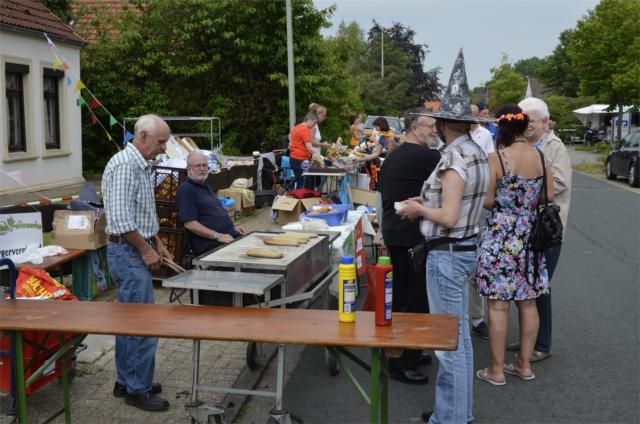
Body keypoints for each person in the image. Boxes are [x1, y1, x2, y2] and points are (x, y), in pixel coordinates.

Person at [396, 49, 489, 424]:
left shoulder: (452, 158)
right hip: (464, 249)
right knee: (458, 339)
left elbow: (449, 217)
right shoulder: (476, 152)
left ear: (446, 123)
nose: (434, 127)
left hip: (447, 254)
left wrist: (419, 210)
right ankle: (455, 413)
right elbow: (466, 203)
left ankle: (451, 418)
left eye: (437, 121)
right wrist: (426, 201)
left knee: (449, 345)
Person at [474, 104, 554, 386]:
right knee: (528, 302)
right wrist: (526, 203)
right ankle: (524, 364)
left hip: (500, 236)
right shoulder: (541, 156)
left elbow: (487, 201)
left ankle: (496, 370)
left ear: (502, 128)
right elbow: (549, 196)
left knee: (498, 306)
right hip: (529, 237)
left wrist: (506, 203)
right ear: (522, 126)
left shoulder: (497, 158)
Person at [102, 114, 172, 412]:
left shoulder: (140, 163)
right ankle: (136, 389)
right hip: (128, 253)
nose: (164, 148)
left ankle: (126, 380)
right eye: (161, 142)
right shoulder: (126, 165)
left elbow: (141, 213)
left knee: (129, 321)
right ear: (142, 136)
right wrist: (145, 250)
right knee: (141, 324)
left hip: (132, 250)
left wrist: (158, 243)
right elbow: (121, 220)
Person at [507, 97, 572, 363]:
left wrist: (524, 184)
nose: (527, 125)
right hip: (524, 227)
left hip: (546, 230)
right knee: (525, 286)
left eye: (531, 120)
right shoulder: (524, 144)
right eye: (523, 120)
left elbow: (560, 183)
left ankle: (542, 344)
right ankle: (529, 338)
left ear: (545, 122)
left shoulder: (554, 146)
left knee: (540, 286)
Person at [378, 108, 441, 385]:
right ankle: (401, 361)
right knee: (413, 299)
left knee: (404, 295)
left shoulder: (394, 155)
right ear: (414, 127)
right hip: (410, 235)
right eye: (430, 126)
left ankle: (407, 350)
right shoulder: (428, 157)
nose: (435, 130)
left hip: (396, 231)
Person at [176, 151, 244, 256]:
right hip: (211, 246)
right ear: (189, 168)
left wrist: (232, 227)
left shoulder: (204, 185)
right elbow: (190, 224)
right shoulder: (186, 189)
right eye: (198, 166)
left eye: (204, 165)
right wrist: (218, 236)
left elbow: (213, 212)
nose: (202, 168)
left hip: (227, 237)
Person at [468, 104, 496, 340]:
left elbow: (491, 165)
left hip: (478, 205)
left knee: (476, 264)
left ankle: (477, 318)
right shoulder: (453, 136)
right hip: (459, 204)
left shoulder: (484, 135)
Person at [288, 112, 319, 189]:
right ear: (309, 120)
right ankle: (301, 196)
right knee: (304, 183)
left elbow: (290, 143)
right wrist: (319, 155)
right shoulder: (305, 129)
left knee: (300, 181)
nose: (315, 125)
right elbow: (309, 147)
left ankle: (299, 195)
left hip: (293, 158)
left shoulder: (296, 127)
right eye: (314, 122)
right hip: (300, 159)